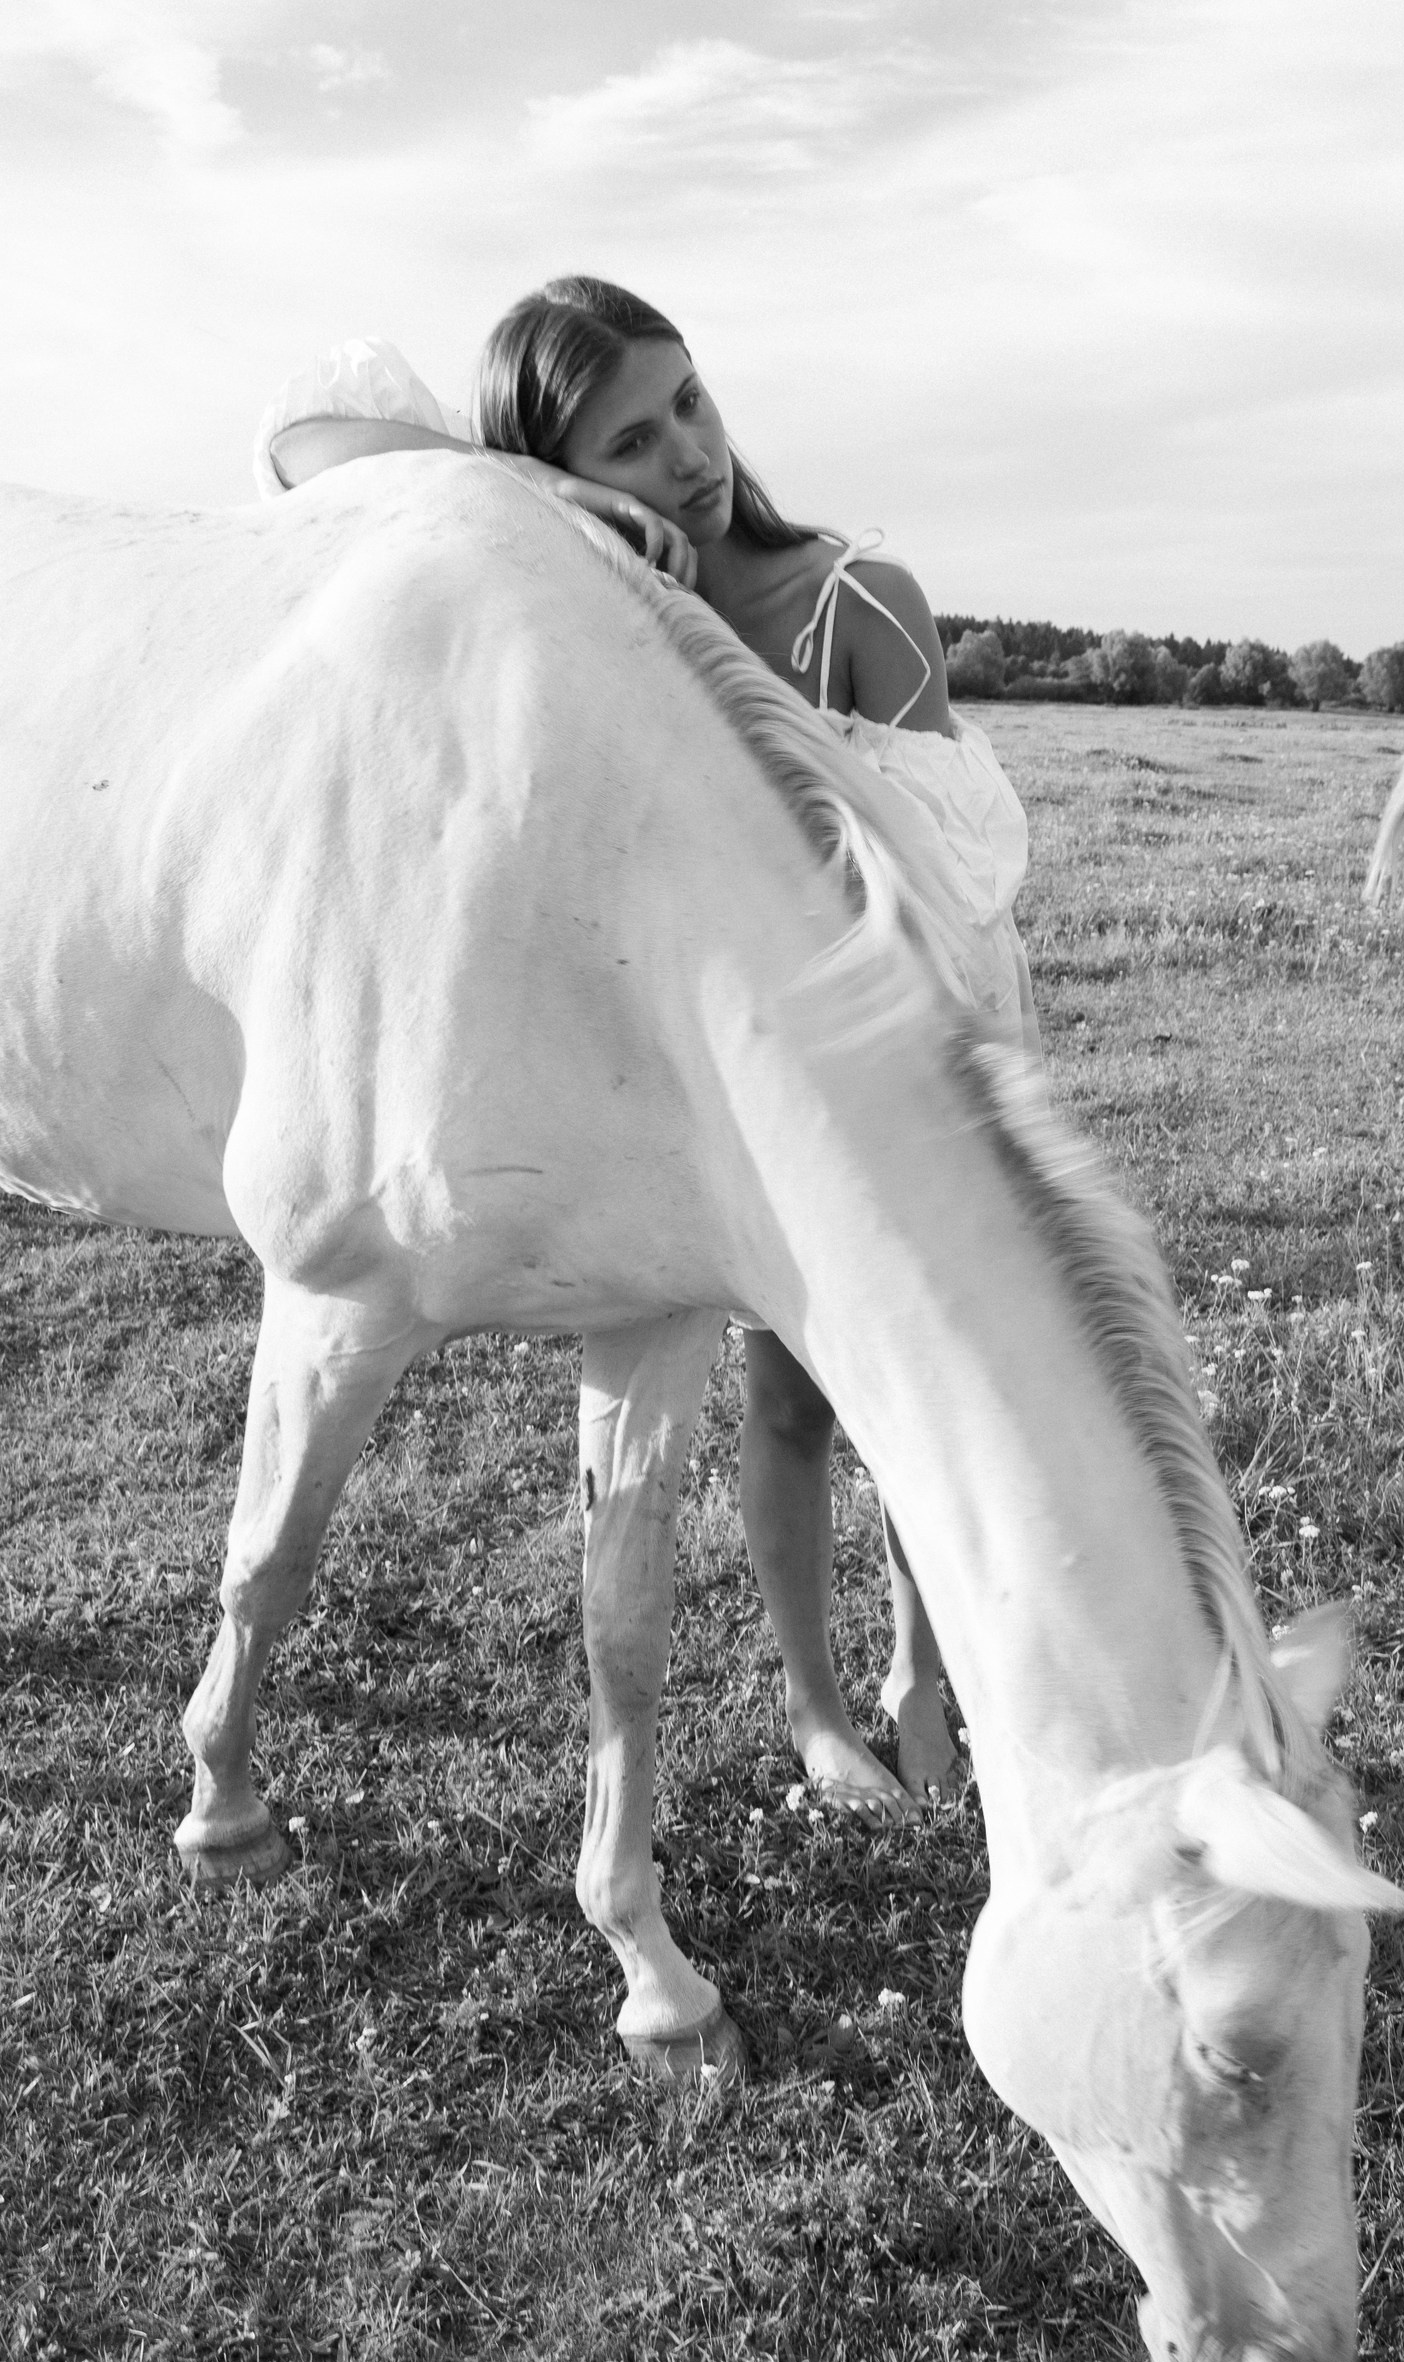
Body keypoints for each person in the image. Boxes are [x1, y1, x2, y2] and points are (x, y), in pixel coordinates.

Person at [258, 278, 1039, 1825]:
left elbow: (956, 858)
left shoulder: (855, 594)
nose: (688, 451)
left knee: (924, 1393)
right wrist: (567, 541)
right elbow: (320, 447)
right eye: (631, 437)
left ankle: (923, 1679)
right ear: (565, 476)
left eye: (690, 400)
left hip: (910, 1025)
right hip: (719, 1075)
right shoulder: (582, 625)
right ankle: (820, 1712)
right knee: (794, 1401)